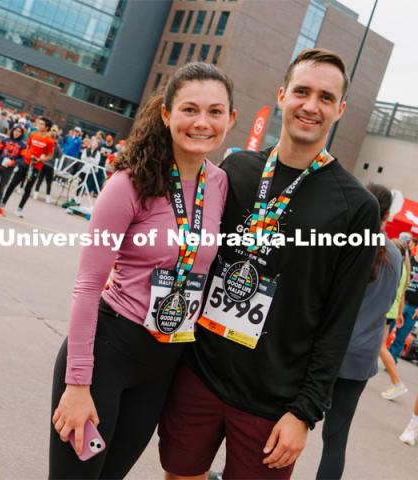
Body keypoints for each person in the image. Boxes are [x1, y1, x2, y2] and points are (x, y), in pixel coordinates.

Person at [158, 48, 379, 480]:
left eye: (325, 97)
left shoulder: (357, 207)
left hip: (275, 404)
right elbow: (195, 255)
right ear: (282, 95)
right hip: (199, 374)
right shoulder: (236, 169)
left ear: (341, 109)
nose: (310, 106)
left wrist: (305, 413)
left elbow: (340, 320)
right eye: (302, 91)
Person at [48, 62, 236, 479]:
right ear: (167, 114)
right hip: (106, 355)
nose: (202, 122)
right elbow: (87, 285)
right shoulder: (129, 183)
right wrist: (78, 384)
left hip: (162, 364)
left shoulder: (221, 184)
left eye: (214, 111)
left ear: (230, 119)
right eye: (189, 109)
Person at [316, 183, 401, 480]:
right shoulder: (396, 254)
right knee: (336, 439)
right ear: (387, 214)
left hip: (325, 350)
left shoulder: (347, 242)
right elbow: (388, 304)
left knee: (283, 420)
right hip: (361, 357)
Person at [2, 116, 54, 217]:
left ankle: (20, 209)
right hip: (25, 163)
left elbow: (50, 156)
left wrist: (43, 158)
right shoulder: (33, 134)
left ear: (47, 127)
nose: (39, 125)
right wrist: (26, 154)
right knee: (13, 183)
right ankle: (2, 203)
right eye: (39, 123)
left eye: (42, 124)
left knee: (28, 188)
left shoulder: (49, 141)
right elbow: (27, 147)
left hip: (36, 167)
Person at [380, 238, 410, 400]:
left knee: (381, 348)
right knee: (378, 346)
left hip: (386, 309)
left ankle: (397, 383)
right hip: (391, 311)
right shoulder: (404, 267)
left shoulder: (394, 266)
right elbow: (402, 294)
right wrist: (398, 314)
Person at [387, 245, 418, 363]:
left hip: (413, 309)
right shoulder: (408, 262)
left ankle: (391, 360)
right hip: (399, 303)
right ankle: (377, 355)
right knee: (386, 330)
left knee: (401, 337)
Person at [33, 124, 62, 204]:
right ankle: (48, 198)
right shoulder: (57, 145)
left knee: (40, 180)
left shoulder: (46, 142)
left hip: (43, 163)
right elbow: (59, 156)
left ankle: (36, 194)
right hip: (50, 165)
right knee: (49, 183)